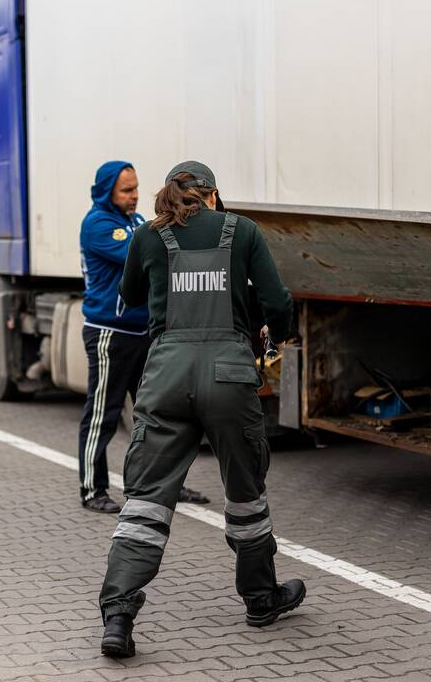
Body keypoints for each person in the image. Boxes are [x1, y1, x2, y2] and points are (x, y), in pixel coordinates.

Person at [97, 161, 305, 658]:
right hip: (229, 376)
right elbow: (278, 301)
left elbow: (129, 295)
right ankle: (260, 598)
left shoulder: (150, 235)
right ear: (213, 195)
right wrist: (273, 332)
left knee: (146, 501)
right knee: (245, 494)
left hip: (166, 376)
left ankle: (119, 614)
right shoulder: (244, 232)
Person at [78, 161, 209, 513]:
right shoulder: (98, 225)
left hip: (142, 333)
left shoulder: (136, 223)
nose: (135, 196)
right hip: (110, 334)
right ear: (108, 192)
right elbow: (145, 252)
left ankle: (165, 485)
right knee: (102, 415)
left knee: (158, 415)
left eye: (136, 188)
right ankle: (92, 489)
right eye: (126, 190)